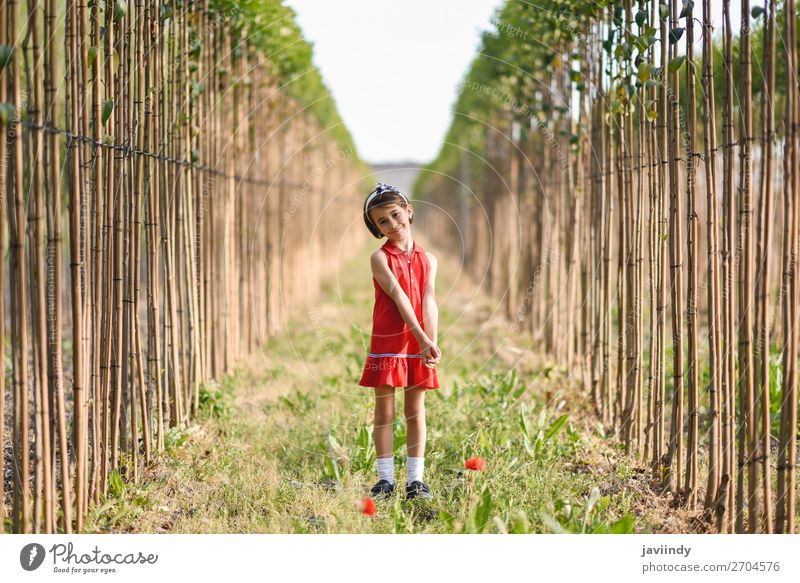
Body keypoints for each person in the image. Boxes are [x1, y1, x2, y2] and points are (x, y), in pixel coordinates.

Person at [358, 182, 442, 501]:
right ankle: (384, 481)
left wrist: (429, 341)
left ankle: (415, 481)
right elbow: (399, 297)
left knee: (415, 411)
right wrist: (421, 338)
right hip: (390, 340)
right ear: (376, 229)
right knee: (385, 411)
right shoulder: (379, 259)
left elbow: (428, 300)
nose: (393, 225)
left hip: (419, 342)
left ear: (408, 211)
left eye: (396, 215)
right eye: (383, 222)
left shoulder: (429, 259)